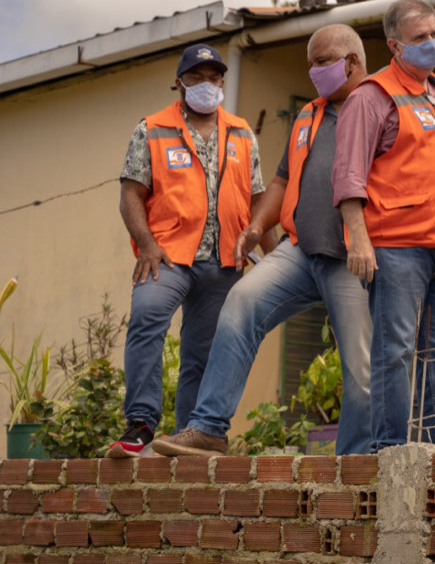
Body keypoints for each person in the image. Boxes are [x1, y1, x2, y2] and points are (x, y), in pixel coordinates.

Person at [151, 25, 373, 457]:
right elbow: (281, 180)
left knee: (359, 365)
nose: (314, 71)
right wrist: (256, 226)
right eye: (311, 63)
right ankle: (209, 427)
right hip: (298, 249)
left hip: (350, 256)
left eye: (322, 61)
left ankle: (355, 462)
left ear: (353, 62)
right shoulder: (309, 114)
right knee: (241, 301)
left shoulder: (379, 107)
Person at [333, 0, 435, 449]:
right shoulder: (372, 96)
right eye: (420, 38)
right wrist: (358, 240)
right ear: (394, 45)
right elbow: (348, 174)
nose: (432, 44)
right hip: (398, 247)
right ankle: (390, 449)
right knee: (396, 353)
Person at [110, 44, 268, 458]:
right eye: (197, 78)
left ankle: (187, 436)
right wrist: (146, 244)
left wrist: (277, 257)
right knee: (147, 319)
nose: (207, 85)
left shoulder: (242, 132)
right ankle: (141, 423)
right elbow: (131, 195)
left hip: (224, 263)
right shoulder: (152, 128)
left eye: (214, 77)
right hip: (166, 257)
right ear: (179, 82)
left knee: (203, 353)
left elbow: (257, 199)